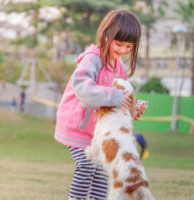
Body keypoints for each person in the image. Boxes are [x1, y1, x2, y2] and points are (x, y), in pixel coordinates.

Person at [55, 9, 143, 200]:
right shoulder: (92, 59)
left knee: (103, 170)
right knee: (86, 166)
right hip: (77, 125)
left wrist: (133, 106)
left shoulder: (120, 68)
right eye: (119, 44)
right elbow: (83, 88)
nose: (123, 50)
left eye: (129, 46)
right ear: (105, 35)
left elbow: (119, 97)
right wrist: (117, 97)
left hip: (99, 130)